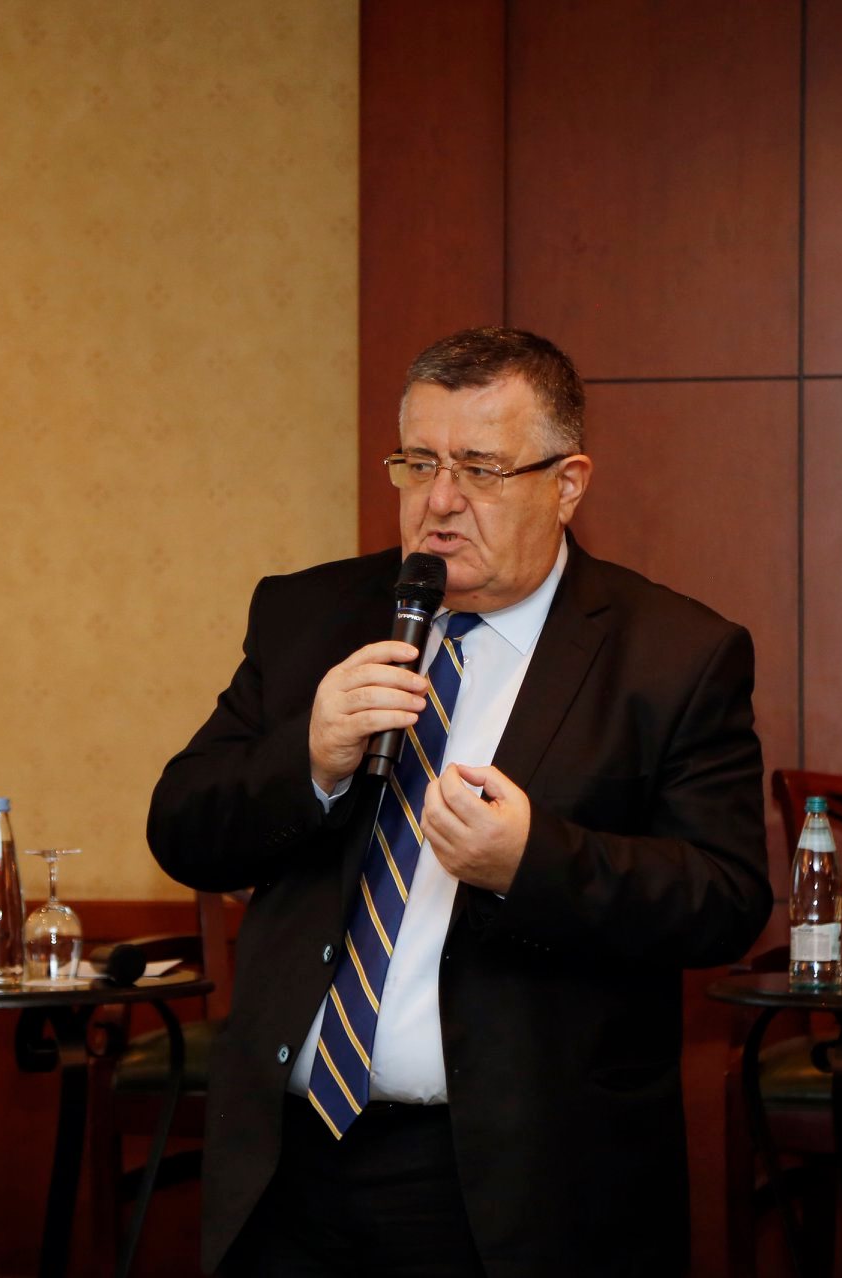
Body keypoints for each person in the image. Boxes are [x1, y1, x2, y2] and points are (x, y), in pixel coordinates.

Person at [147, 326, 772, 1276]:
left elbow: (723, 899)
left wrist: (531, 863)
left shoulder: (672, 655)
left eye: (480, 469)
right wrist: (306, 759)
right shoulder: (308, 614)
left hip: (514, 1184)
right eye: (418, 463)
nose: (439, 502)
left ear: (566, 483)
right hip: (285, 1164)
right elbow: (182, 828)